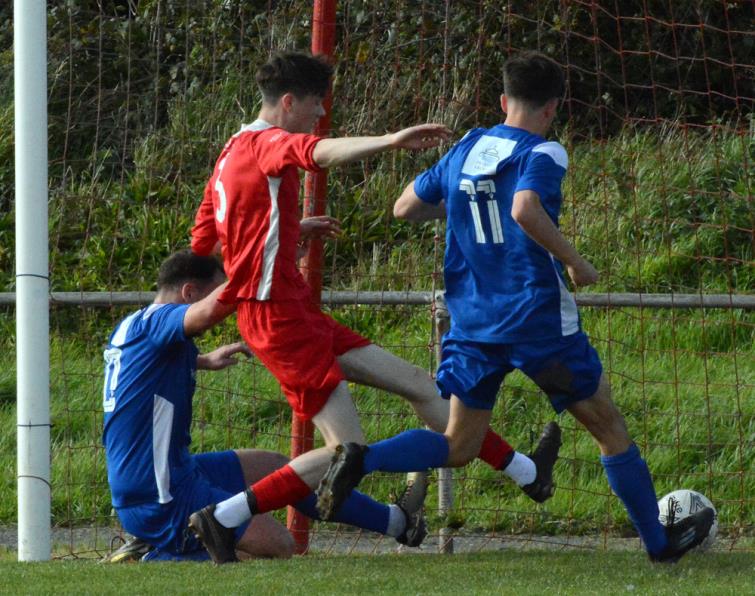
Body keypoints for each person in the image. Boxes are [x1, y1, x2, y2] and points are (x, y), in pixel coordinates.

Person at [319, 50, 714, 563]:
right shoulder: (544, 153)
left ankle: (363, 458)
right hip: (536, 321)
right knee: (609, 428)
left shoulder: (467, 145)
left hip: (473, 322)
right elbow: (524, 208)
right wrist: (575, 261)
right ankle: (659, 545)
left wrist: (465, 202)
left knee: (459, 445)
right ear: (553, 108)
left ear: (504, 100)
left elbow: (405, 207)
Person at [187, 51, 562, 564]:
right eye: (316, 105)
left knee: (419, 384)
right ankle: (223, 518)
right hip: (278, 319)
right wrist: (390, 140)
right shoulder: (267, 143)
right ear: (289, 102)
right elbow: (319, 153)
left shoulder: (230, 150)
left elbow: (208, 239)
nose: (320, 115)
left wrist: (285, 234)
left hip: (292, 309)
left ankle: (526, 472)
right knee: (347, 453)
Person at [102, 249, 431, 562]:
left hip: (169, 474)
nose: (230, 306)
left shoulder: (132, 326)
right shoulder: (163, 321)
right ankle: (153, 554)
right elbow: (204, 313)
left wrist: (202, 360)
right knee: (278, 546)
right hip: (158, 495)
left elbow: (141, 372)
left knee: (281, 468)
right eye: (218, 293)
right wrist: (266, 262)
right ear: (189, 292)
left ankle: (397, 523)